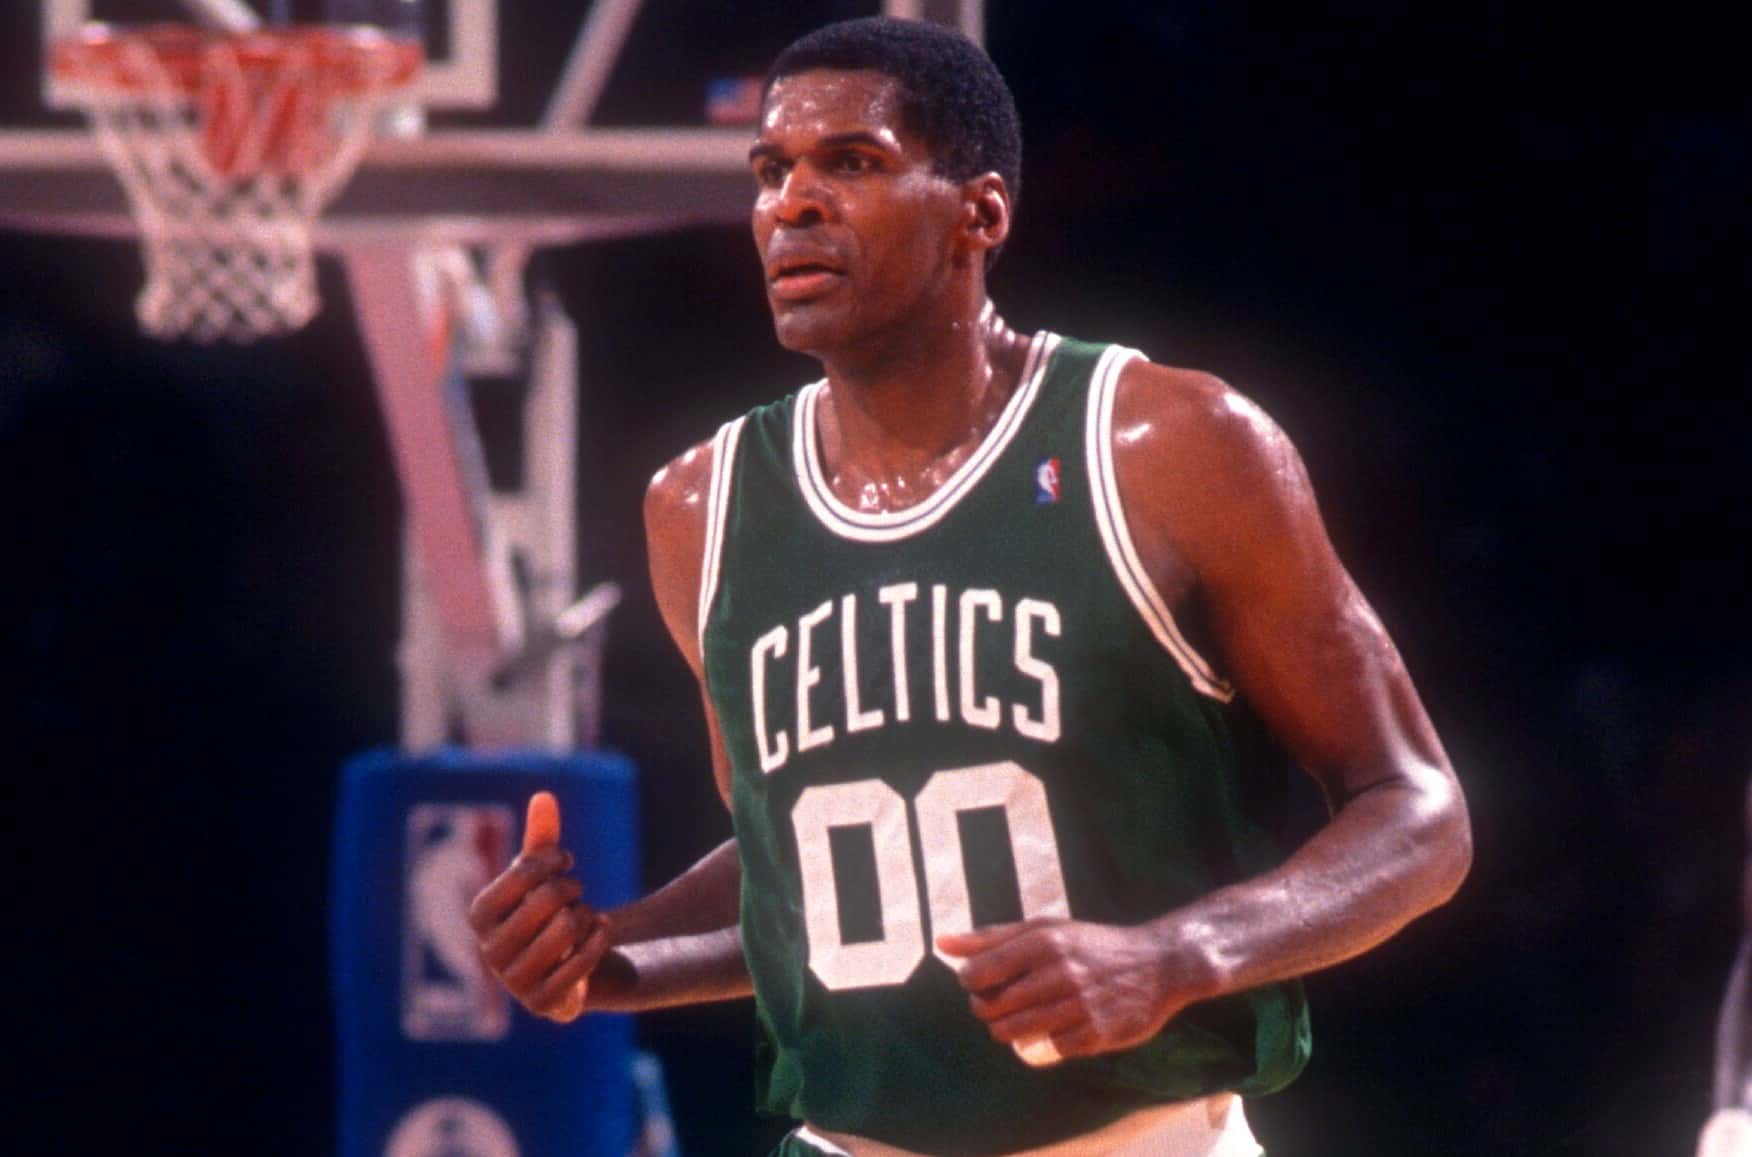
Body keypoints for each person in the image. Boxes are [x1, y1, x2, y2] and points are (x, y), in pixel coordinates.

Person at [468, 17, 1471, 1156]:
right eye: (770, 171)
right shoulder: (700, 511)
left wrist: (1173, 957)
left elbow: (1420, 813)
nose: (791, 204)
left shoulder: (1165, 443)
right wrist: (615, 958)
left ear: (979, 215)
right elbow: (814, 867)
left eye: (850, 163)